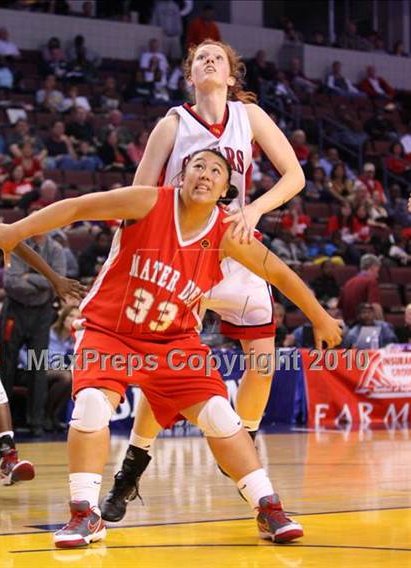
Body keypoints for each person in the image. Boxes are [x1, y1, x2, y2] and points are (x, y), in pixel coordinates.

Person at [0, 149, 343, 548]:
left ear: (225, 190)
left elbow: (278, 272)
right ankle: (85, 514)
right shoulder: (148, 200)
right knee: (90, 405)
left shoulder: (227, 233)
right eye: (198, 167)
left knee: (221, 417)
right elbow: (77, 207)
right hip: (111, 331)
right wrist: (15, 230)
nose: (206, 175)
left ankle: (268, 507)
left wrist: (319, 317)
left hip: (173, 341)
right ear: (181, 176)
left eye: (216, 172)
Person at [96, 39, 306, 522]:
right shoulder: (172, 123)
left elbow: (294, 176)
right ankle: (131, 469)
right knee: (165, 373)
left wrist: (254, 209)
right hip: (180, 255)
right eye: (199, 59)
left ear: (232, 76)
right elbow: (139, 195)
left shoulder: (249, 118)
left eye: (218, 57)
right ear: (190, 76)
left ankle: (243, 445)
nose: (209, 61)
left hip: (233, 246)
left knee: (263, 362)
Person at [0, 212, 84, 483]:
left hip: (30, 313)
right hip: (16, 309)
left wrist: (54, 279)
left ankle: (9, 459)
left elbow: (16, 241)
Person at [338, 254, 383, 325]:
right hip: (364, 326)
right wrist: (382, 324)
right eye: (377, 271)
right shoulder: (371, 281)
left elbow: (340, 308)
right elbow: (375, 306)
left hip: (348, 326)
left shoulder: (348, 283)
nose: (378, 275)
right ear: (372, 267)